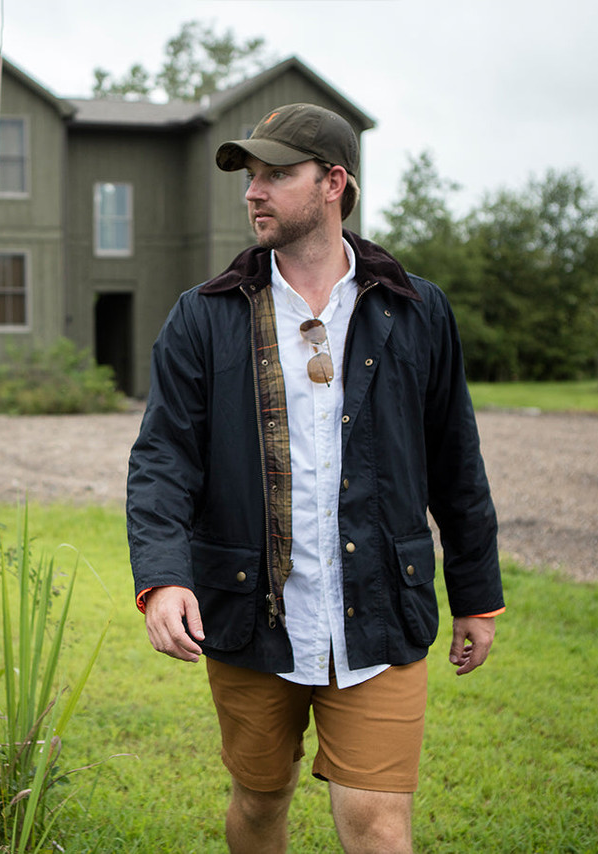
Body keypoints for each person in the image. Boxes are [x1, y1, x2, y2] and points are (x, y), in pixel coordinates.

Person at [126, 103, 505, 854]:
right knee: (261, 803)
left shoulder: (416, 310)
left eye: (276, 175)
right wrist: (164, 577)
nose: (254, 192)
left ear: (334, 182)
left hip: (380, 608)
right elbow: (164, 457)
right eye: (250, 176)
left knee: (377, 821)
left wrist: (477, 592)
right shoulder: (202, 318)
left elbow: (454, 456)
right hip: (251, 612)